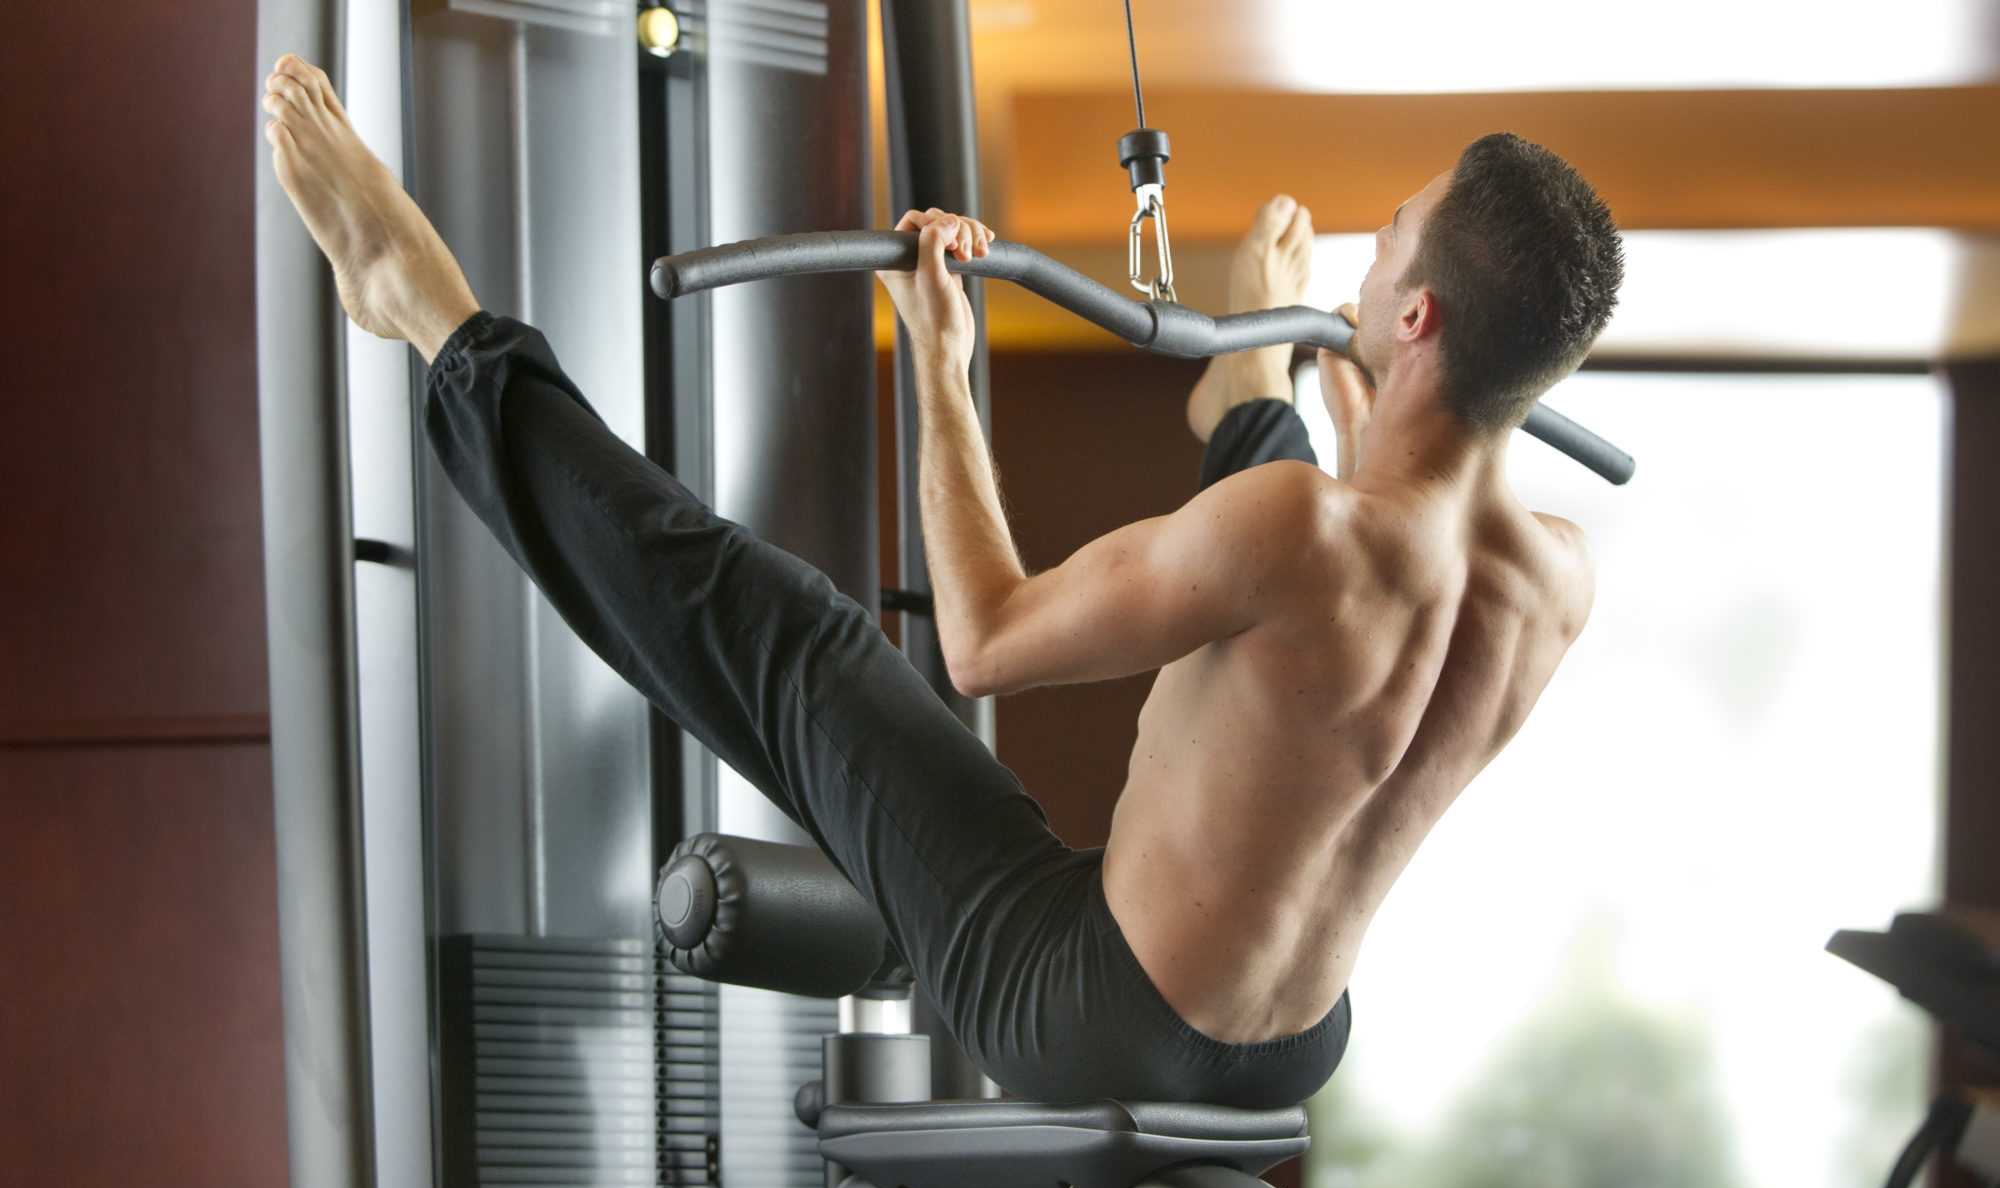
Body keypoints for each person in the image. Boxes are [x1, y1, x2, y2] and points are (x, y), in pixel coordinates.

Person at [262, 54, 1620, 1109]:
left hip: (1084, 1004)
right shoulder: (1555, 581)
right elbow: (1359, 604)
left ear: (1417, 321)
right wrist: (1329, 399)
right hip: (1288, 1046)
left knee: (793, 639)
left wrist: (937, 354)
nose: (1368, 262)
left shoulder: (1307, 527)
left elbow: (983, 638)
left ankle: (427, 314)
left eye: (1389, 243)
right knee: (1283, 570)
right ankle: (1241, 389)